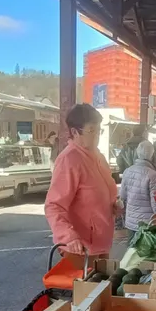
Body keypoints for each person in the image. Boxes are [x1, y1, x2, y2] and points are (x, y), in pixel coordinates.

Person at [45, 104, 120, 264]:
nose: (97, 136)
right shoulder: (70, 159)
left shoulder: (98, 156)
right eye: (91, 130)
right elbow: (53, 206)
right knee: (86, 288)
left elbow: (102, 191)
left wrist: (113, 205)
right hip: (81, 249)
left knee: (103, 286)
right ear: (74, 132)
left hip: (101, 243)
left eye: (98, 130)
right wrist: (69, 237)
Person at [119, 141, 156, 230]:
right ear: (152, 155)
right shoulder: (153, 175)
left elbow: (122, 196)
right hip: (147, 224)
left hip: (130, 221)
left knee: (131, 244)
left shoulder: (127, 171)